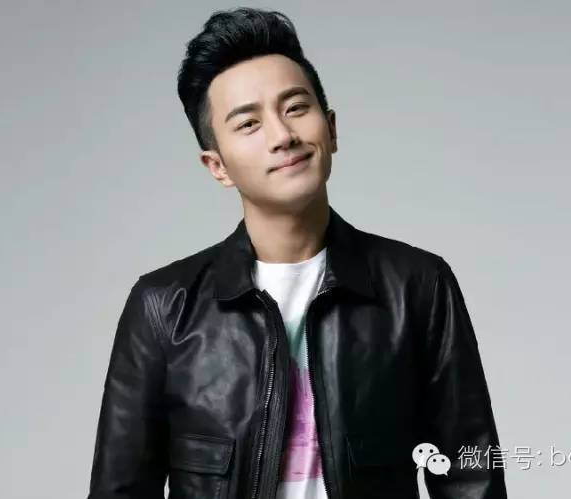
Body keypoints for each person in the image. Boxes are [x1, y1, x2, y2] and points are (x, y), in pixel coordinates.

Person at [86, 7, 506, 499]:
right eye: (249, 123)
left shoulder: (417, 285)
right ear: (217, 166)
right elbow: (120, 490)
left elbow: (471, 476)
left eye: (296, 107)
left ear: (331, 128)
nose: (283, 136)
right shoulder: (163, 306)